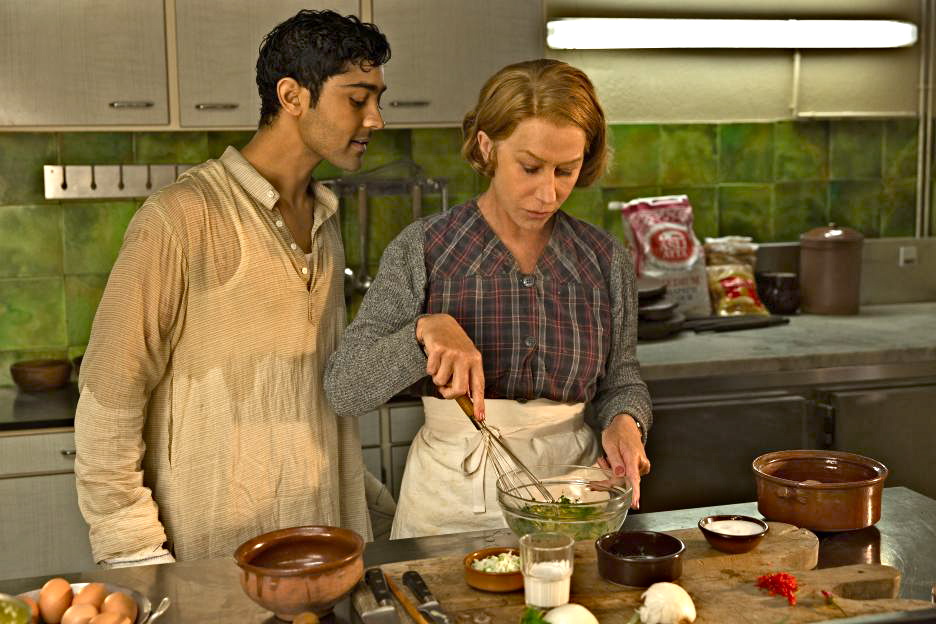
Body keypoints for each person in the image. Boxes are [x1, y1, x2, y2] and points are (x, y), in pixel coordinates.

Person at [74, 10, 390, 566]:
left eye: (378, 99)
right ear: (292, 96)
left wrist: (373, 508)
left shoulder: (326, 220)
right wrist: (135, 552)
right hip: (213, 557)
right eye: (358, 99)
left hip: (322, 546)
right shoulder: (180, 217)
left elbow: (309, 395)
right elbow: (109, 396)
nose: (376, 119)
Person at [324, 59, 652, 539]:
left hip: (573, 497)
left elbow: (621, 379)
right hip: (448, 506)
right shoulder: (424, 249)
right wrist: (423, 333)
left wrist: (625, 421)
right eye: (530, 167)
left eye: (566, 170)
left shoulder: (605, 260)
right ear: (486, 146)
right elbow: (346, 389)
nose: (548, 193)